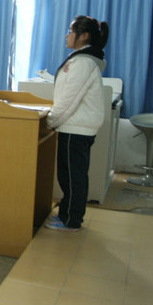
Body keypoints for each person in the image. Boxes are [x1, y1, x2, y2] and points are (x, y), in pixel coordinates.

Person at [44, 15, 109, 232]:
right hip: (75, 126)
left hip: (75, 128)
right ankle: (68, 213)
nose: (66, 36)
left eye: (70, 31)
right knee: (71, 175)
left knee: (72, 177)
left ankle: (71, 219)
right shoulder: (82, 60)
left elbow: (69, 100)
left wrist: (50, 121)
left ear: (84, 36)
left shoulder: (82, 63)